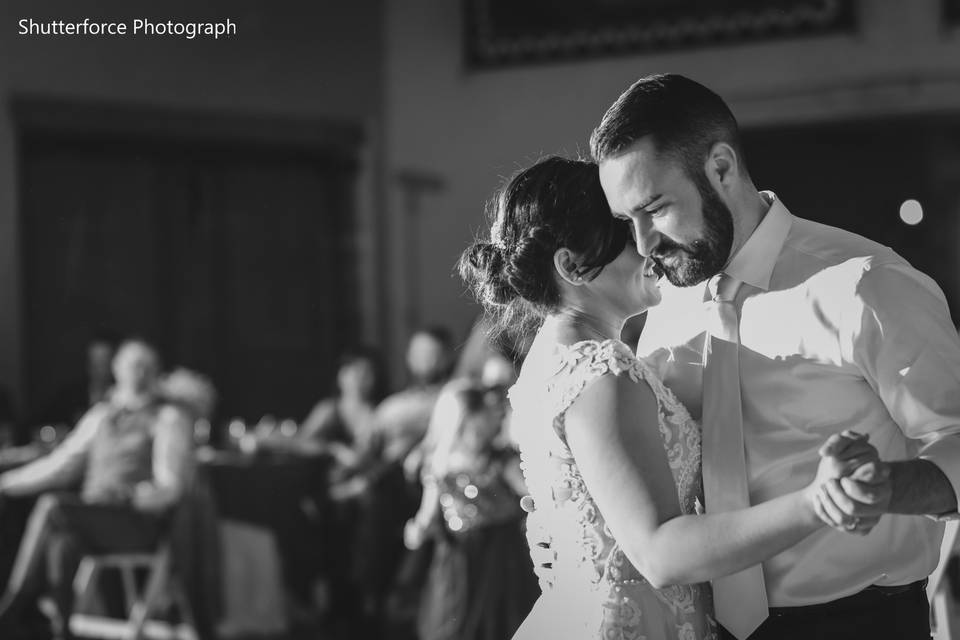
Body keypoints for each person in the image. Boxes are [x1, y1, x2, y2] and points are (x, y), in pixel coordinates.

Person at [459, 156, 885, 640]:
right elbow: (660, 552)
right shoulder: (601, 371)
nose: (649, 247)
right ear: (571, 265)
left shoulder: (547, 359)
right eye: (626, 233)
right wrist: (816, 501)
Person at [0, 339, 194, 639]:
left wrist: (141, 496)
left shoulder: (166, 417)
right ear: (118, 371)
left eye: (145, 367)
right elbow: (60, 464)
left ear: (155, 372)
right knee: (63, 542)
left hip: (136, 522)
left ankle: (15, 602)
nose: (138, 375)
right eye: (132, 367)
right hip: (95, 516)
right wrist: (7, 484)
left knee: (54, 507)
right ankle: (61, 629)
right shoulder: (102, 415)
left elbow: (171, 485)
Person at [404, 380, 537, 640]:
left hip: (502, 551)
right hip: (460, 559)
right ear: (463, 423)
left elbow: (529, 491)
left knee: (504, 619)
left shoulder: (500, 460)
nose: (492, 424)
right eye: (483, 419)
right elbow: (428, 515)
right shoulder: (440, 468)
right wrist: (418, 531)